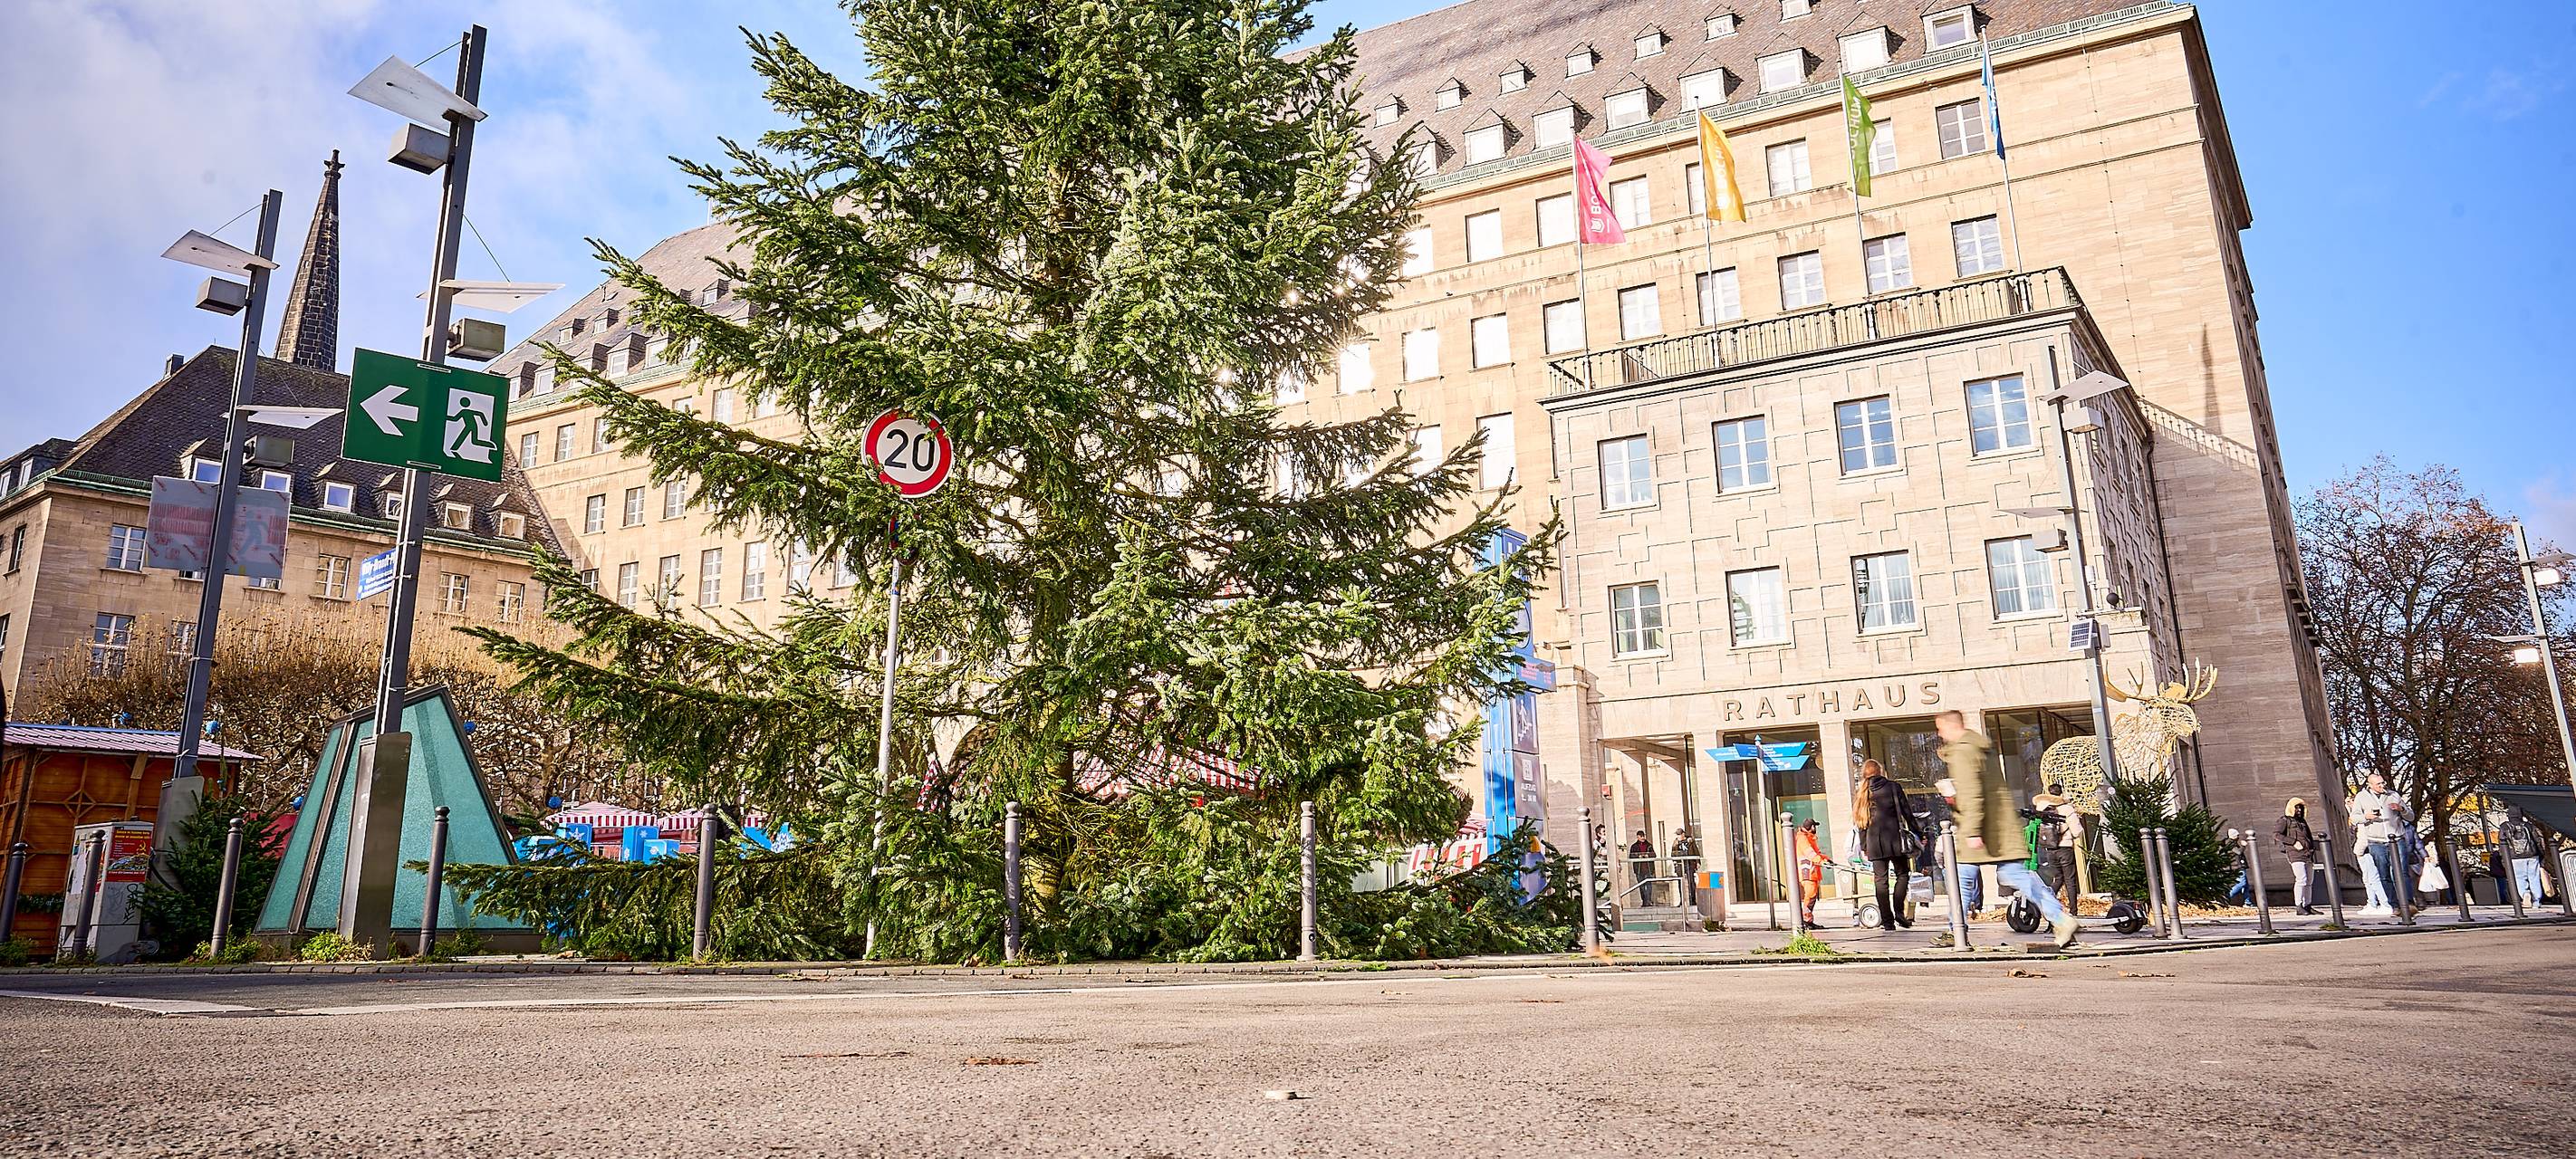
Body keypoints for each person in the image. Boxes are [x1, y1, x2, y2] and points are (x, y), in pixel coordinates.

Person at [1938, 710, 2077, 947]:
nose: (1939, 734)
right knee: (2013, 874)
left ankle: (1956, 931)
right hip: (2000, 825)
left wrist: (1970, 827)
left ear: (1949, 727)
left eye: (1940, 729)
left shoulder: (1962, 751)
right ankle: (2060, 917)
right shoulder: (1980, 746)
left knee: (1962, 877)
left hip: (1982, 828)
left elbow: (1971, 792)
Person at [1853, 759, 1925, 930]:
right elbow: (1906, 812)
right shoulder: (1893, 787)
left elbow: (1861, 823)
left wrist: (1864, 846)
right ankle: (1899, 912)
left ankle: (1887, 922)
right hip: (1895, 839)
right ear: (1881, 771)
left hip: (1874, 843)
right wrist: (1919, 833)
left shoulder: (1863, 791)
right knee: (1902, 874)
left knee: (1881, 881)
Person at [2348, 772, 2402, 915]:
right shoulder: (2362, 800)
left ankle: (2388, 903)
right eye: (2378, 783)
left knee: (2378, 876)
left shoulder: (2391, 796)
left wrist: (2358, 851)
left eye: (2383, 782)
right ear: (2370, 785)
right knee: (2376, 876)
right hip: (2373, 843)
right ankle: (2381, 903)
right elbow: (2355, 820)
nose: (2382, 786)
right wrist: (2366, 817)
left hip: (2376, 844)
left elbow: (2362, 835)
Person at [2032, 783, 2082, 913]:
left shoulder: (2042, 808)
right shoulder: (2067, 809)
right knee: (2069, 880)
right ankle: (2073, 911)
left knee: (2058, 879)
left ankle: (2045, 902)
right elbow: (2077, 832)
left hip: (2050, 849)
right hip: (2065, 849)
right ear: (2061, 793)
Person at [2275, 798, 2320, 915]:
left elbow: (2308, 837)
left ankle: (2307, 905)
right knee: (2301, 879)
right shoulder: (2284, 820)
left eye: (2300, 807)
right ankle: (2299, 905)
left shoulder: (2302, 822)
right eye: (2296, 807)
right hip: (2295, 854)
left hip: (2308, 854)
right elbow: (2277, 835)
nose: (2299, 810)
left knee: (2309, 881)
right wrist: (2293, 842)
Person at [2498, 805, 2549, 907]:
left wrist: (2504, 859)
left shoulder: (2504, 827)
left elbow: (2502, 845)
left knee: (2519, 878)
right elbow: (2538, 841)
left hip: (2514, 857)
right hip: (2532, 855)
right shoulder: (2528, 826)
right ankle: (2536, 901)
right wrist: (2541, 855)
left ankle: (2525, 894)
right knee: (2534, 877)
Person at [1793, 819, 1829, 926]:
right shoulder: (1803, 839)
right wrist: (1822, 861)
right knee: (1810, 895)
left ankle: (1808, 919)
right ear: (1812, 827)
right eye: (1815, 826)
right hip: (1807, 872)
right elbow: (1810, 854)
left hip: (1811, 871)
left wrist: (1826, 859)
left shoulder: (1809, 838)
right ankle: (1806, 920)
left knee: (1812, 896)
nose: (1815, 829)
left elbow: (1816, 853)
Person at [1626, 830, 1658, 906]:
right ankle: (1644, 901)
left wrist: (1648, 856)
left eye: (1643, 836)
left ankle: (1649, 900)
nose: (1643, 838)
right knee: (1641, 886)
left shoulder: (1649, 845)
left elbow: (1654, 855)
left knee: (1649, 885)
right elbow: (1631, 856)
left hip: (1648, 869)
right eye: (1641, 836)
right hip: (1639, 870)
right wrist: (1638, 856)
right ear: (1638, 837)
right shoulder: (1634, 846)